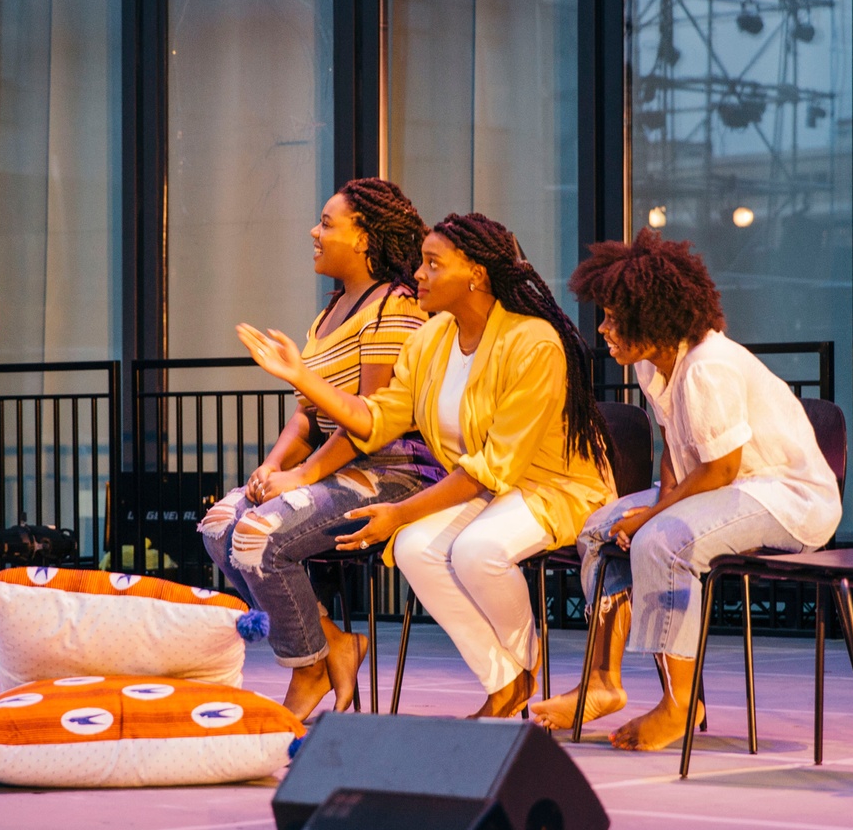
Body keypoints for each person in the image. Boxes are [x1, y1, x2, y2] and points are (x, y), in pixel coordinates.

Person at [239, 213, 611, 719]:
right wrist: (302, 376)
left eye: (433, 264)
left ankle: (523, 667)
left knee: (477, 550)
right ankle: (504, 682)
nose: (418, 274)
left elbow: (494, 465)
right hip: (487, 489)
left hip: (550, 487)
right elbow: (377, 417)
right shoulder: (432, 340)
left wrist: (399, 512)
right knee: (415, 549)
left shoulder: (533, 341)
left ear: (476, 273)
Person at [529, 230, 840, 750]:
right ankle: (603, 681)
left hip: (787, 498)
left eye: (612, 318)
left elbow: (720, 470)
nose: (602, 329)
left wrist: (653, 518)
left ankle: (679, 704)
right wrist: (652, 505)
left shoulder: (706, 367)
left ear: (652, 319)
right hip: (729, 491)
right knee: (599, 528)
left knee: (662, 540)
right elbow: (676, 453)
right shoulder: (657, 362)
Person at [197, 179, 440, 718]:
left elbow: (370, 421)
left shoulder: (394, 307)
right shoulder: (331, 309)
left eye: (327, 223)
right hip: (329, 467)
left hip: (392, 470)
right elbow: (308, 414)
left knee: (258, 535)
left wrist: (303, 476)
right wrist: (273, 465)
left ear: (364, 238)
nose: (314, 230)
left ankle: (308, 667)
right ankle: (332, 641)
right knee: (219, 526)